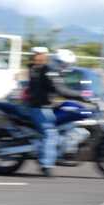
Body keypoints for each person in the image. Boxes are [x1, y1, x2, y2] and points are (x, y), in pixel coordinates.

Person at [25, 47, 87, 176]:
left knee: (67, 124)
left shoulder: (53, 72)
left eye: (69, 64)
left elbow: (64, 87)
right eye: (65, 64)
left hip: (46, 107)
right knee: (50, 132)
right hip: (38, 108)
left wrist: (84, 91)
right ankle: (46, 164)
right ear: (58, 62)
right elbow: (61, 90)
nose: (67, 67)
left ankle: (59, 152)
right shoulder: (49, 72)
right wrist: (82, 95)